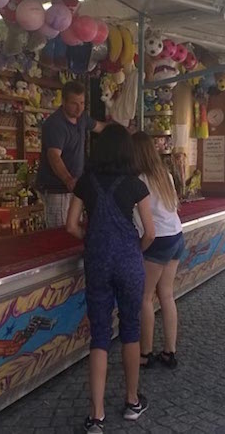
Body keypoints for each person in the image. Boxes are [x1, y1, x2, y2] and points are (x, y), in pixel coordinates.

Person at [66, 124, 155, 434]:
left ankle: (96, 415)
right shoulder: (136, 185)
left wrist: (92, 240)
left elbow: (71, 225)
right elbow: (150, 232)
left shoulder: (85, 183)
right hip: (129, 262)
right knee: (130, 329)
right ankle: (132, 401)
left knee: (100, 335)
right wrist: (132, 250)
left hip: (98, 262)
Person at [131, 132, 183, 370]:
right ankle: (169, 351)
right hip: (176, 236)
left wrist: (141, 250)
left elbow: (145, 227)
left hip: (157, 240)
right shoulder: (165, 175)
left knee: (145, 297)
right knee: (167, 295)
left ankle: (145, 353)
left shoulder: (138, 180)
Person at [37, 81, 107, 228]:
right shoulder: (55, 124)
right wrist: (68, 179)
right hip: (57, 188)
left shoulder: (82, 118)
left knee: (75, 228)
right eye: (74, 104)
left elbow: (100, 127)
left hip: (75, 187)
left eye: (82, 103)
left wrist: (121, 130)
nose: (79, 108)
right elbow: (54, 156)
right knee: (60, 232)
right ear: (63, 102)